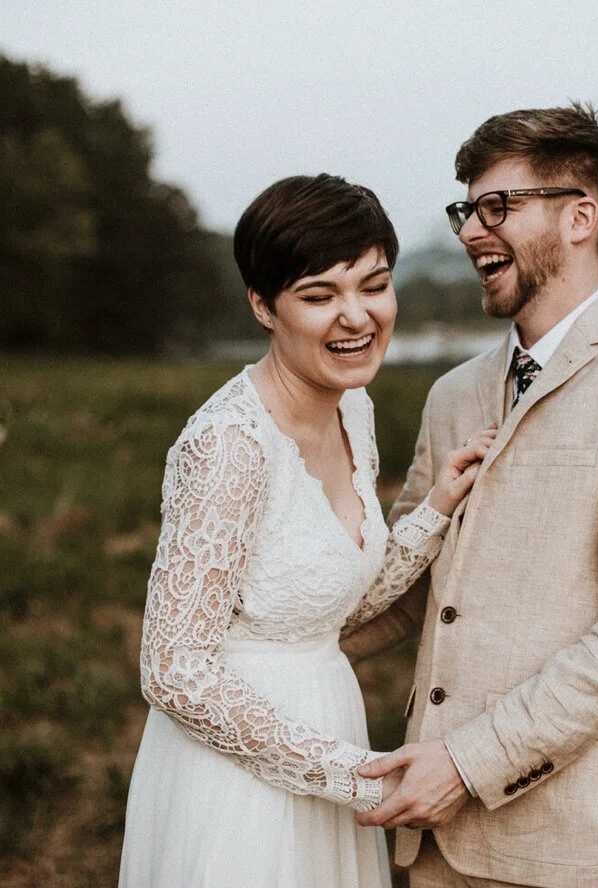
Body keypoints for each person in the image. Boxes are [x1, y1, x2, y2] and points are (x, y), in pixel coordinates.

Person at [345, 104, 598, 888]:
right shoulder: (453, 394)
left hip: (580, 849)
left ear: (580, 217)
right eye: (465, 211)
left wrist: (467, 763)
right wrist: (273, 651)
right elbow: (409, 592)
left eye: (497, 207)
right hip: (433, 846)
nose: (469, 232)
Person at [117, 174, 496, 888]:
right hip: (236, 778)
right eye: (319, 296)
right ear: (264, 306)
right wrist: (355, 777)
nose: (356, 317)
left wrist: (436, 510)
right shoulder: (228, 446)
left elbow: (329, 605)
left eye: (373, 286)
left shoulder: (354, 408)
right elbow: (172, 670)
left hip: (328, 727)